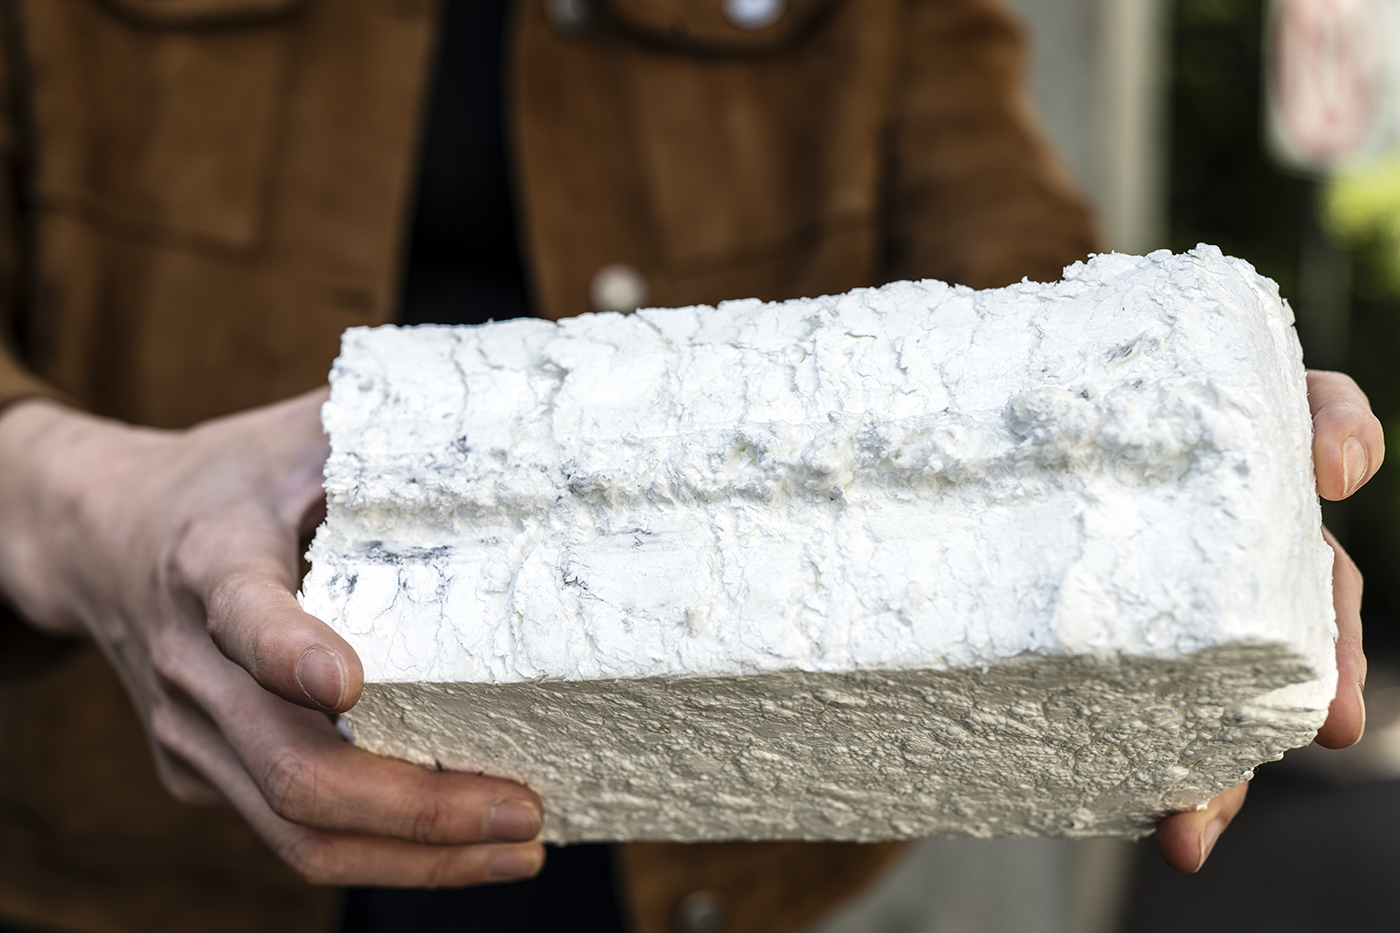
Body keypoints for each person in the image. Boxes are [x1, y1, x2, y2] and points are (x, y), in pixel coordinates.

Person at [0, 0, 1381, 931]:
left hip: (723, 874)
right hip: (137, 850)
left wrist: (1163, 434)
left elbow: (1000, 235)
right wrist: (80, 507)